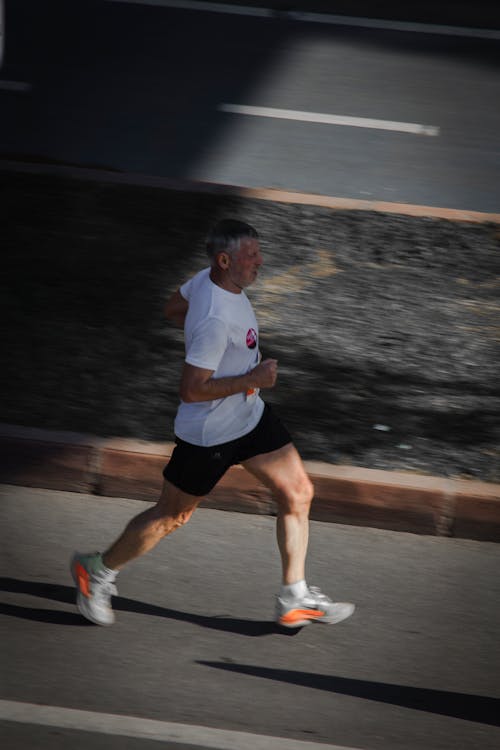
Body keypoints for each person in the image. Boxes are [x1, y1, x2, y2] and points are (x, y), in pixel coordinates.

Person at [71, 219, 355, 629]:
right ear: (225, 260)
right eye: (251, 255)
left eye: (259, 251)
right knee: (172, 516)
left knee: (298, 491)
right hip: (210, 433)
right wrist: (250, 377)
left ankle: (294, 596)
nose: (260, 261)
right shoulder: (214, 320)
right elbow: (191, 389)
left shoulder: (206, 279)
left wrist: (241, 379)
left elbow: (172, 308)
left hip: (249, 416)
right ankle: (95, 571)